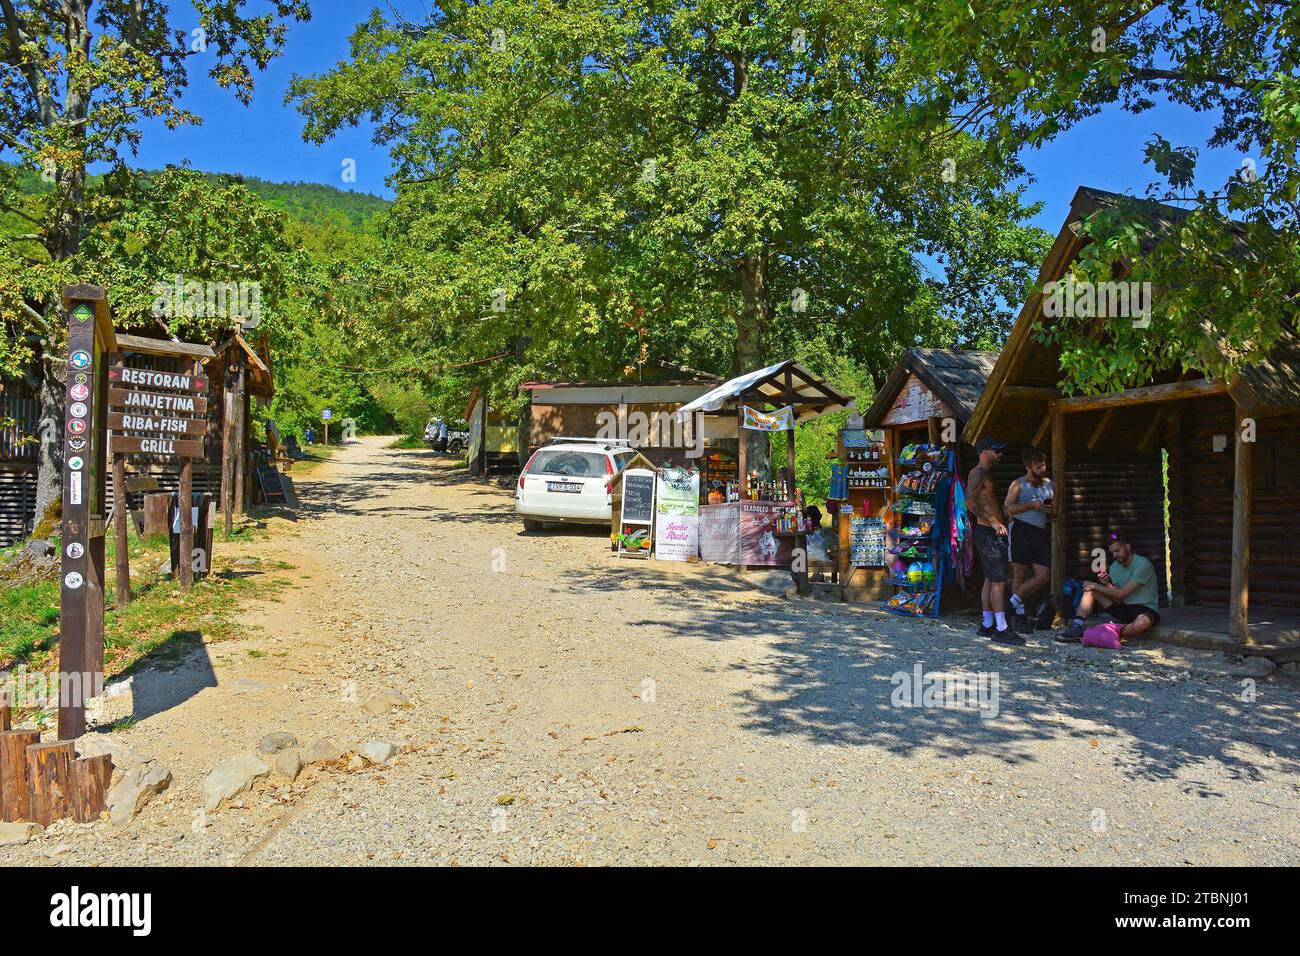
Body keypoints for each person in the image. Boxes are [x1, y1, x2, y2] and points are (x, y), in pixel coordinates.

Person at [1057, 530, 1161, 643]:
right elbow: (1118, 598)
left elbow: (1122, 593)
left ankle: (1099, 633)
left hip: (1145, 609)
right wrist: (1106, 584)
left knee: (1141, 623)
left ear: (1128, 547)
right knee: (1090, 590)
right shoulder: (1114, 567)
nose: (1115, 555)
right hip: (1124, 609)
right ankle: (1077, 626)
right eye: (1112, 552)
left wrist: (1095, 585)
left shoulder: (1143, 564)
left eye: (1117, 550)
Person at [967, 437, 1023, 644]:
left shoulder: (986, 474)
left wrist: (1003, 513)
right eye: (996, 451)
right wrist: (992, 521)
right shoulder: (978, 473)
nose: (1000, 455)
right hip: (987, 532)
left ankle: (988, 623)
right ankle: (1002, 628)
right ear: (984, 452)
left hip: (992, 531)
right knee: (999, 579)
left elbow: (985, 501)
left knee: (991, 579)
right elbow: (969, 501)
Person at [1004, 447, 1054, 631]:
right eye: (1039, 466)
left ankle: (1010, 605)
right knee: (1021, 574)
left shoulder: (1050, 484)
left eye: (1044, 464)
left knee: (1043, 575)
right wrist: (1031, 505)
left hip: (1040, 531)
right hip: (1021, 529)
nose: (1043, 468)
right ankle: (1020, 615)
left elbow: (1056, 510)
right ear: (1028, 467)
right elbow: (1008, 508)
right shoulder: (1018, 484)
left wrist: (1050, 511)